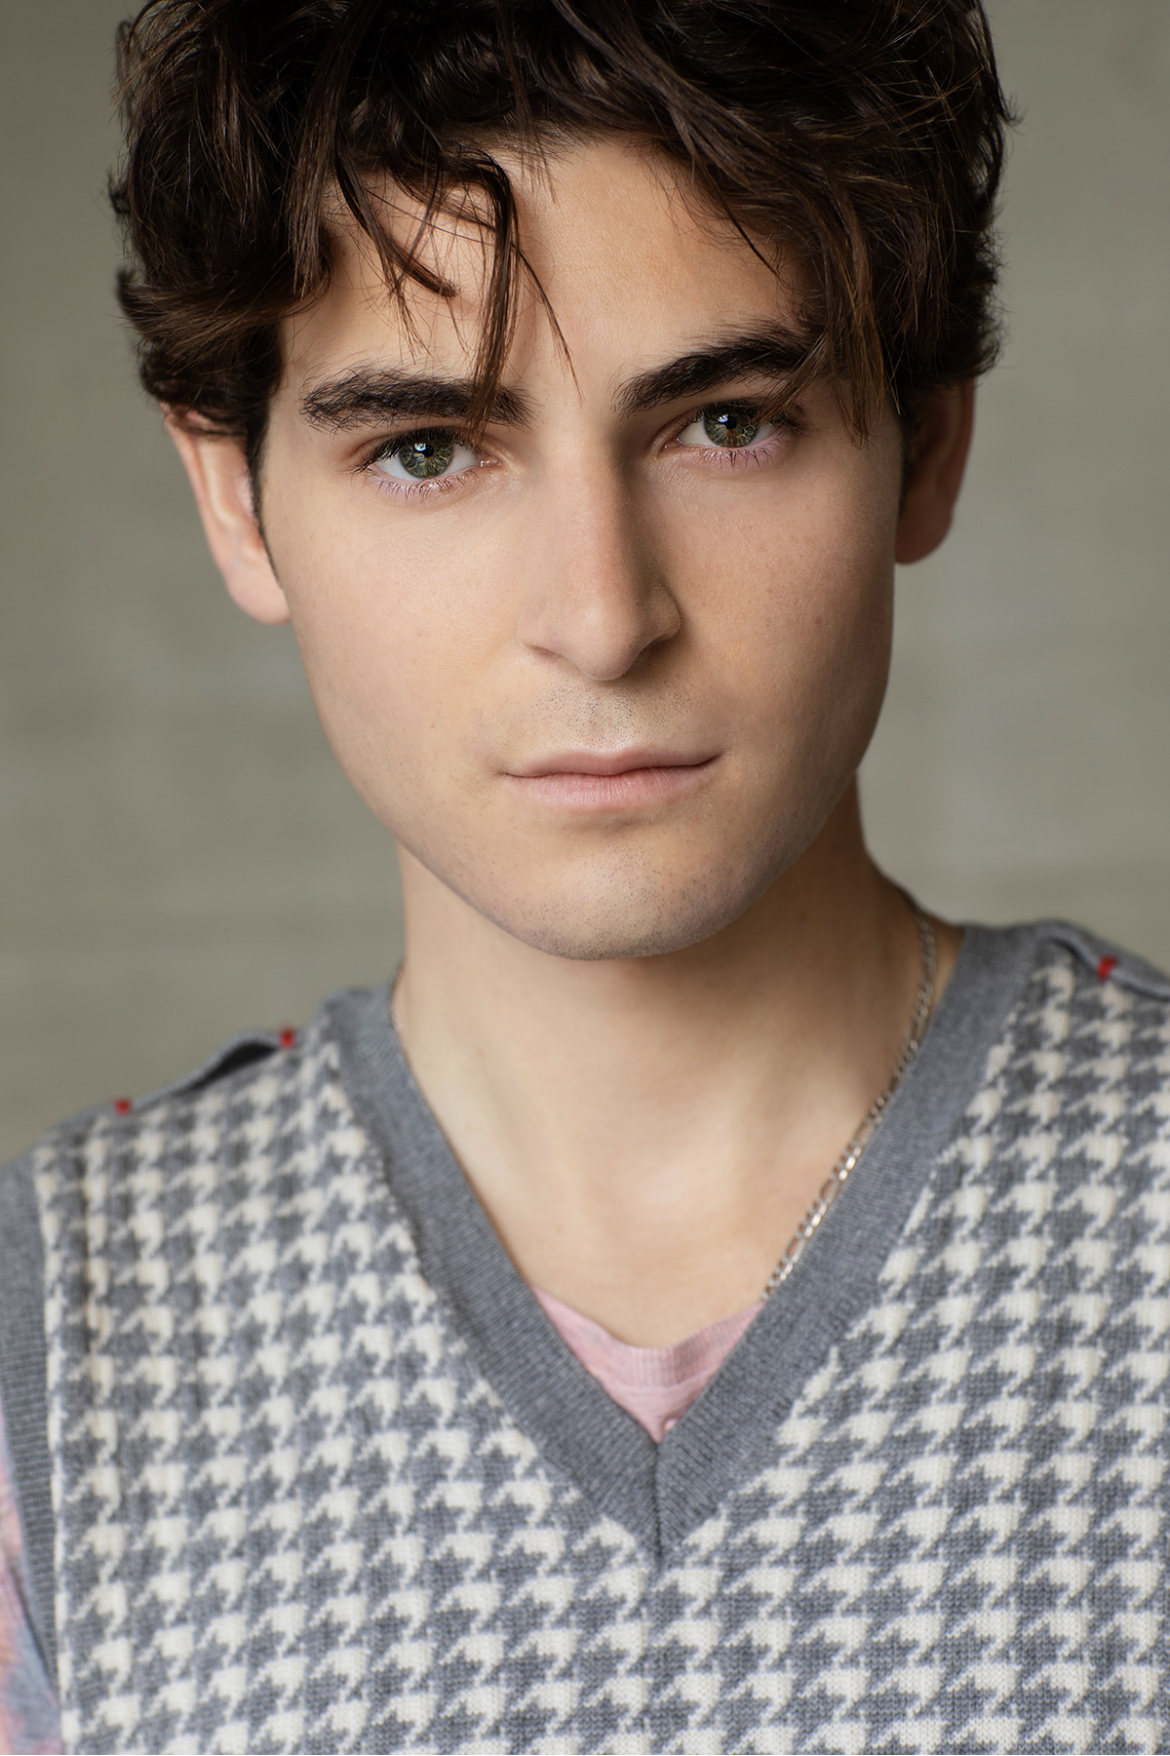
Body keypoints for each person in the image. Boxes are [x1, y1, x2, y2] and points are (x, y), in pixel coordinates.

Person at [1, 0, 1167, 1749]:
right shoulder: (50, 1348)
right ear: (235, 501)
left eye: (726, 423)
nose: (602, 617)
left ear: (925, 442)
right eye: (427, 451)